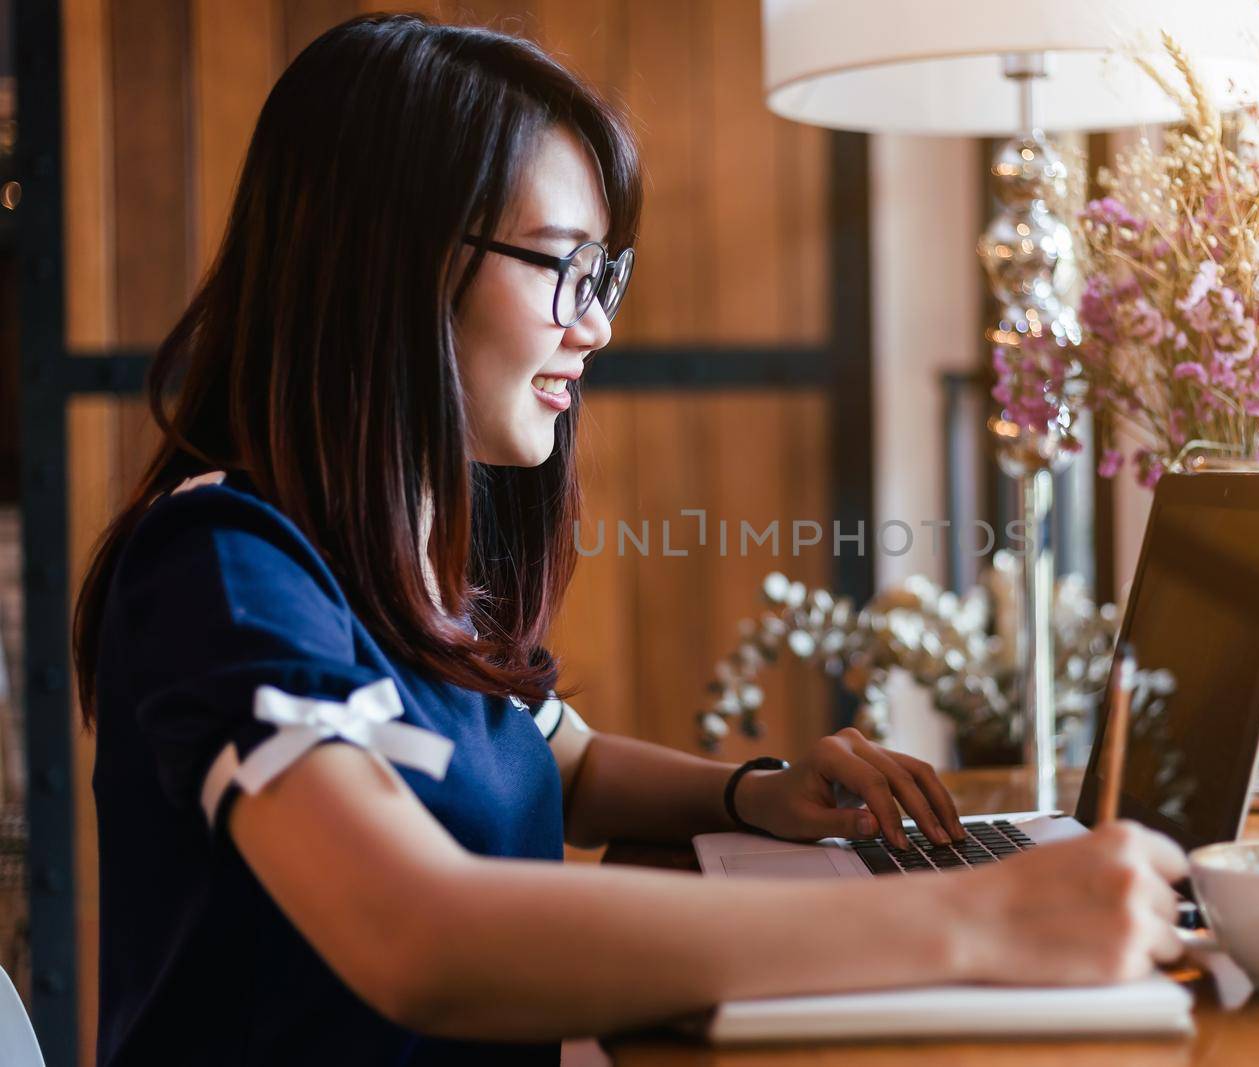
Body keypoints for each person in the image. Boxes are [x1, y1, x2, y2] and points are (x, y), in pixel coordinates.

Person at [73, 14, 1187, 1066]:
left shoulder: (403, 546)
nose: (595, 322)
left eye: (602, 272)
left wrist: (757, 791)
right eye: (561, 264)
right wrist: (968, 915)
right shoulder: (227, 566)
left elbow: (563, 759)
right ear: (389, 263)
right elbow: (420, 933)